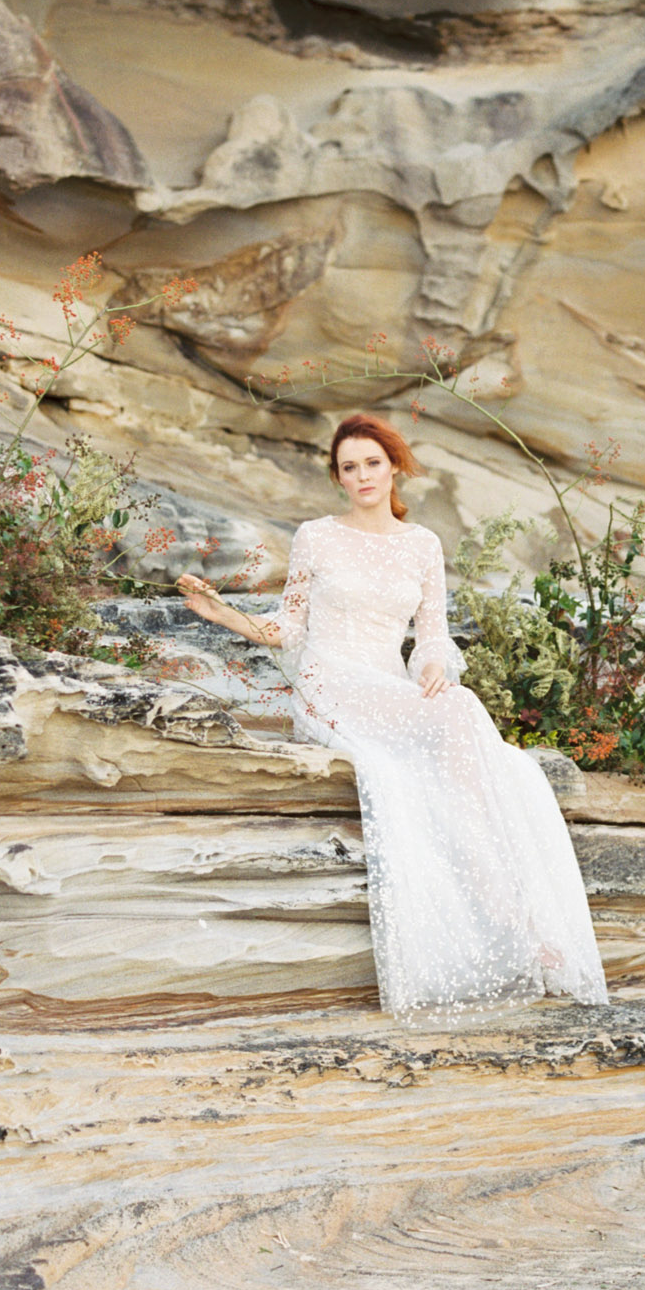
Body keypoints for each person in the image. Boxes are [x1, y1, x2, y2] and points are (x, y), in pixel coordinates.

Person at [178, 412, 608, 1019]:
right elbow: (289, 627)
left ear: (394, 465)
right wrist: (225, 616)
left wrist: (434, 663)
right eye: (349, 467)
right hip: (331, 686)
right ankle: (518, 927)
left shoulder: (422, 545)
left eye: (372, 463)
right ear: (337, 476)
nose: (362, 477)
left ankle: (518, 923)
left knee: (477, 740)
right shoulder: (316, 536)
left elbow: (431, 636)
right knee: (462, 736)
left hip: (387, 685)